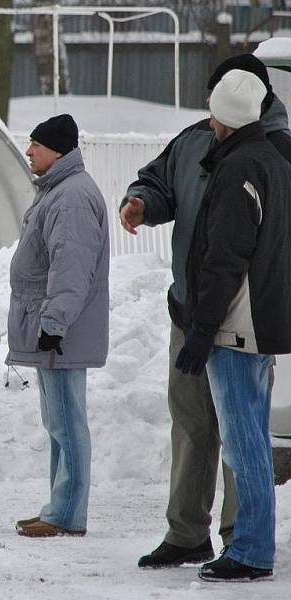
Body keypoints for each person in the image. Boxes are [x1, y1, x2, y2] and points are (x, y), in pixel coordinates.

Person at [120, 54, 291, 568]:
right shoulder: (199, 139)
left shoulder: (270, 154)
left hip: (237, 318)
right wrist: (142, 202)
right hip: (191, 311)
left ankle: (245, 538)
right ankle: (187, 532)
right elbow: (159, 180)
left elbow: (232, 253)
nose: (210, 109)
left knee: (242, 432)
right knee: (194, 425)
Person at [177, 69, 291, 581]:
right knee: (252, 438)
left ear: (220, 115)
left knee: (243, 441)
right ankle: (254, 543)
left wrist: (201, 332)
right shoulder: (273, 160)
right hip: (259, 321)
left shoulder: (237, 168)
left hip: (234, 325)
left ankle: (250, 550)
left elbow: (223, 259)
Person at [7, 114, 109, 537]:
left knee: (67, 422)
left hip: (60, 332)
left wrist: (53, 324)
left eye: (36, 145)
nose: (29, 151)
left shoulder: (69, 197)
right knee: (59, 422)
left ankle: (66, 514)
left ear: (58, 151)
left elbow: (71, 268)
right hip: (55, 328)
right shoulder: (59, 191)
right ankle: (59, 507)